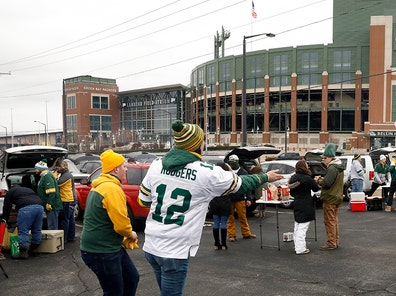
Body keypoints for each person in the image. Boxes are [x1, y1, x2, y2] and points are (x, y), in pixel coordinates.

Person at [139, 120, 282, 295]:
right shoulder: (205, 172)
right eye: (202, 141)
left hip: (151, 244)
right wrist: (265, 177)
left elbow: (144, 201)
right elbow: (241, 183)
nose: (204, 144)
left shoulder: (156, 165)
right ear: (195, 144)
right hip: (174, 249)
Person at [80, 149, 140, 295]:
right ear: (115, 169)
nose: (126, 169)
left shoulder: (102, 186)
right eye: (124, 166)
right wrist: (130, 233)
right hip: (101, 251)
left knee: (131, 278)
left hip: (109, 248)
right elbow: (121, 225)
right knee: (114, 292)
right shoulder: (111, 189)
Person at [2, 182, 43, 259]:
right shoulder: (28, 190)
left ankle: (23, 253)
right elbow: (26, 200)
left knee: (23, 230)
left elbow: (6, 207)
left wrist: (5, 219)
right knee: (36, 229)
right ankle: (34, 249)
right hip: (40, 207)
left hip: (26, 209)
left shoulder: (10, 192)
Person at [316, 143, 345, 251]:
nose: (323, 160)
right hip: (337, 197)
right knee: (334, 220)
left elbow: (327, 183)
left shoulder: (332, 168)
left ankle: (331, 242)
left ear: (329, 157)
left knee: (329, 221)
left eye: (324, 158)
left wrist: (318, 180)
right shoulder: (339, 167)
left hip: (330, 198)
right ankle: (335, 241)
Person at [288, 160, 320, 255]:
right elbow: (316, 188)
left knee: (297, 225)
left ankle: (297, 246)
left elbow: (292, 193)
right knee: (303, 227)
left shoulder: (293, 178)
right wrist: (317, 180)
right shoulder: (307, 178)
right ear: (304, 167)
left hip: (297, 202)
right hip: (306, 203)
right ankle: (300, 249)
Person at [226, 154, 257, 242]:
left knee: (242, 217)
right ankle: (232, 235)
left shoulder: (244, 172)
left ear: (237, 162)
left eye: (234, 162)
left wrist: (249, 198)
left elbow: (247, 186)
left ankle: (246, 233)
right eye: (231, 162)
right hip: (229, 198)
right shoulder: (227, 172)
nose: (232, 164)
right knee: (230, 218)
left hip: (240, 198)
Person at [210, 162, 233, 251]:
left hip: (215, 202)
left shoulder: (213, 178)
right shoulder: (228, 178)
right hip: (225, 202)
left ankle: (216, 243)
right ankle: (224, 244)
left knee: (216, 223)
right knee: (223, 223)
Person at [34, 160, 62, 230]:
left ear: (41, 169)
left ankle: (53, 241)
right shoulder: (43, 176)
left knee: (52, 227)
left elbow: (52, 191)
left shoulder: (47, 176)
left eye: (36, 168)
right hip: (48, 206)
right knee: (51, 225)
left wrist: (49, 203)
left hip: (52, 206)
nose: (35, 170)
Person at [54, 159, 76, 242]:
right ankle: (71, 237)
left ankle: (65, 239)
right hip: (70, 199)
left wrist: (55, 175)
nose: (56, 168)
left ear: (62, 167)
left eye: (58, 167)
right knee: (70, 219)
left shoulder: (66, 175)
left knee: (64, 219)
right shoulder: (66, 174)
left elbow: (57, 183)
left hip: (66, 199)